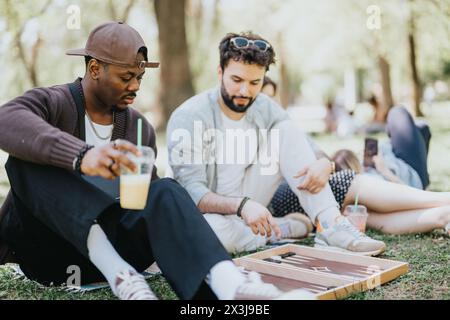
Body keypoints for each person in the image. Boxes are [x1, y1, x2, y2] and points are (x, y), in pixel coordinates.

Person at [0, 22, 313, 300]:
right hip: (52, 256)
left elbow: (142, 210)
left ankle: (231, 286)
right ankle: (122, 279)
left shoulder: (138, 128)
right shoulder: (55, 103)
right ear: (95, 69)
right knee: (25, 160)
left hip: (116, 251)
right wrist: (82, 157)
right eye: (126, 77)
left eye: (139, 76)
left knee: (167, 189)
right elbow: (7, 121)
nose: (136, 85)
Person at [167, 32, 386, 256]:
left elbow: (302, 145)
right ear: (220, 72)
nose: (245, 91)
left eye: (255, 83)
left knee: (285, 128)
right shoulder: (188, 116)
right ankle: (277, 229)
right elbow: (192, 194)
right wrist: (241, 206)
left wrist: (324, 164)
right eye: (236, 80)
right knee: (204, 234)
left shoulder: (263, 106)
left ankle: (331, 225)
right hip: (211, 214)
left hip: (252, 198)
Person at [270, 107, 450, 235]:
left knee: (369, 217)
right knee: (355, 184)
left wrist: (325, 163)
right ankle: (445, 202)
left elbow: (316, 154)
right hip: (296, 195)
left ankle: (443, 214)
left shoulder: (275, 126)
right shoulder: (271, 127)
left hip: (298, 202)